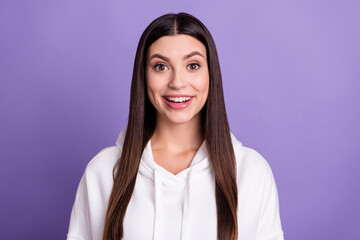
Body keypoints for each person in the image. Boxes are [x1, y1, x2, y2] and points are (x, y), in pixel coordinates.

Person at [67, 12, 284, 240]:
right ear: (144, 76)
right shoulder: (102, 172)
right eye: (161, 67)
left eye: (192, 65)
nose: (177, 82)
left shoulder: (252, 173)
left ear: (211, 74)